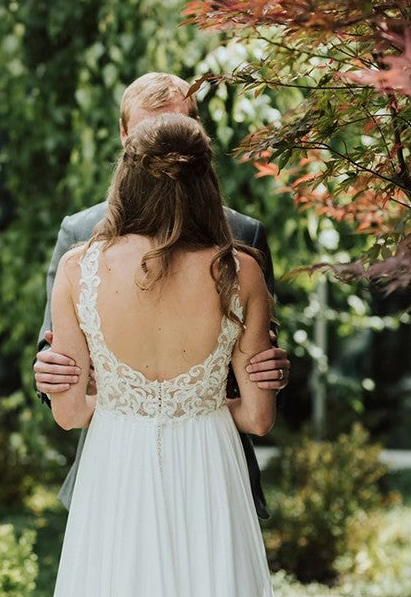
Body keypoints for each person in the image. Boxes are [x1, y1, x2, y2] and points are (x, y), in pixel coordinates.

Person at [26, 113, 308, 597]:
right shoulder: (239, 271)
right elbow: (258, 418)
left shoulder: (79, 269)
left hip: (115, 469)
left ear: (126, 176)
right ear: (206, 180)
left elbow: (70, 413)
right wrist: (200, 404)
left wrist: (128, 405)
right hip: (208, 467)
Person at [34, 72, 290, 520]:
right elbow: (54, 352)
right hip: (116, 465)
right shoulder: (80, 235)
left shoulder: (244, 237)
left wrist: (274, 370)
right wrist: (50, 371)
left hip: (214, 467)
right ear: (125, 137)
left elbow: (258, 359)